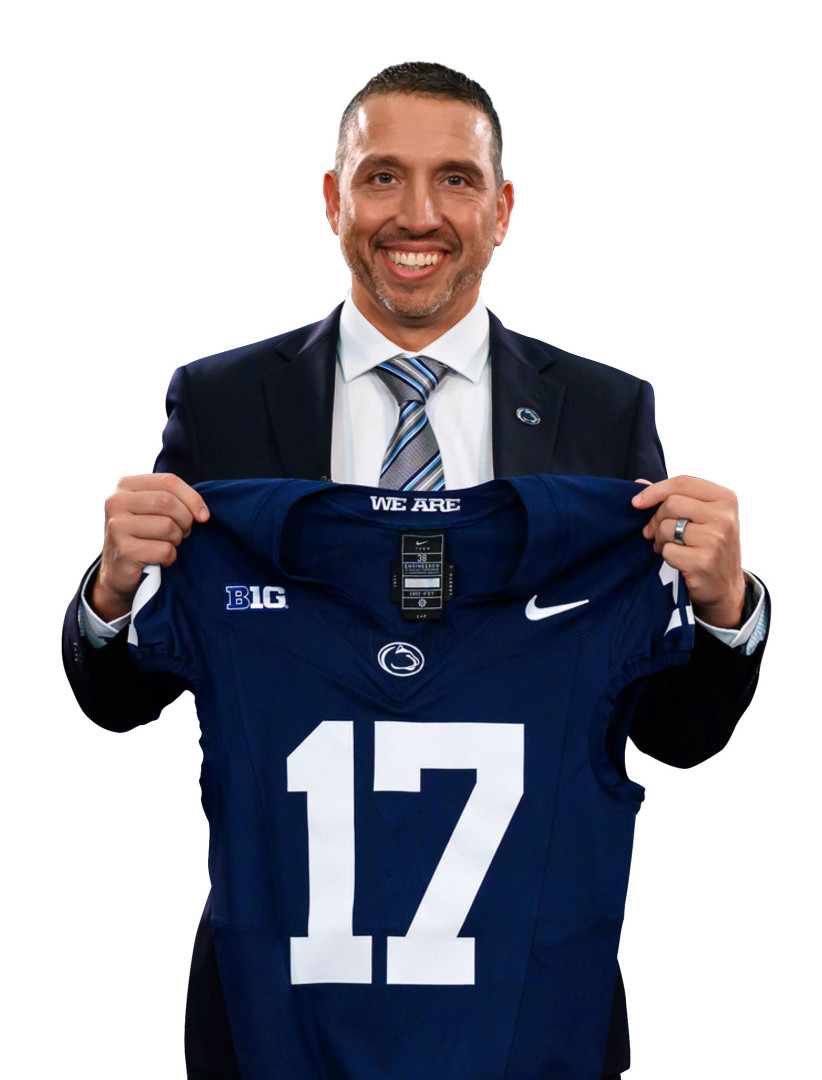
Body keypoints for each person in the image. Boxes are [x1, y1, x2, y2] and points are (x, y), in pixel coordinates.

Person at [63, 62, 768, 1080]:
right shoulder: (220, 402)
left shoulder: (605, 413)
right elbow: (123, 697)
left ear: (503, 208)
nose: (419, 215)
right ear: (334, 197)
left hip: (524, 1004)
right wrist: (110, 595)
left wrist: (726, 611)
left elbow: (672, 732)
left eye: (457, 180)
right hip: (281, 1008)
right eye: (383, 176)